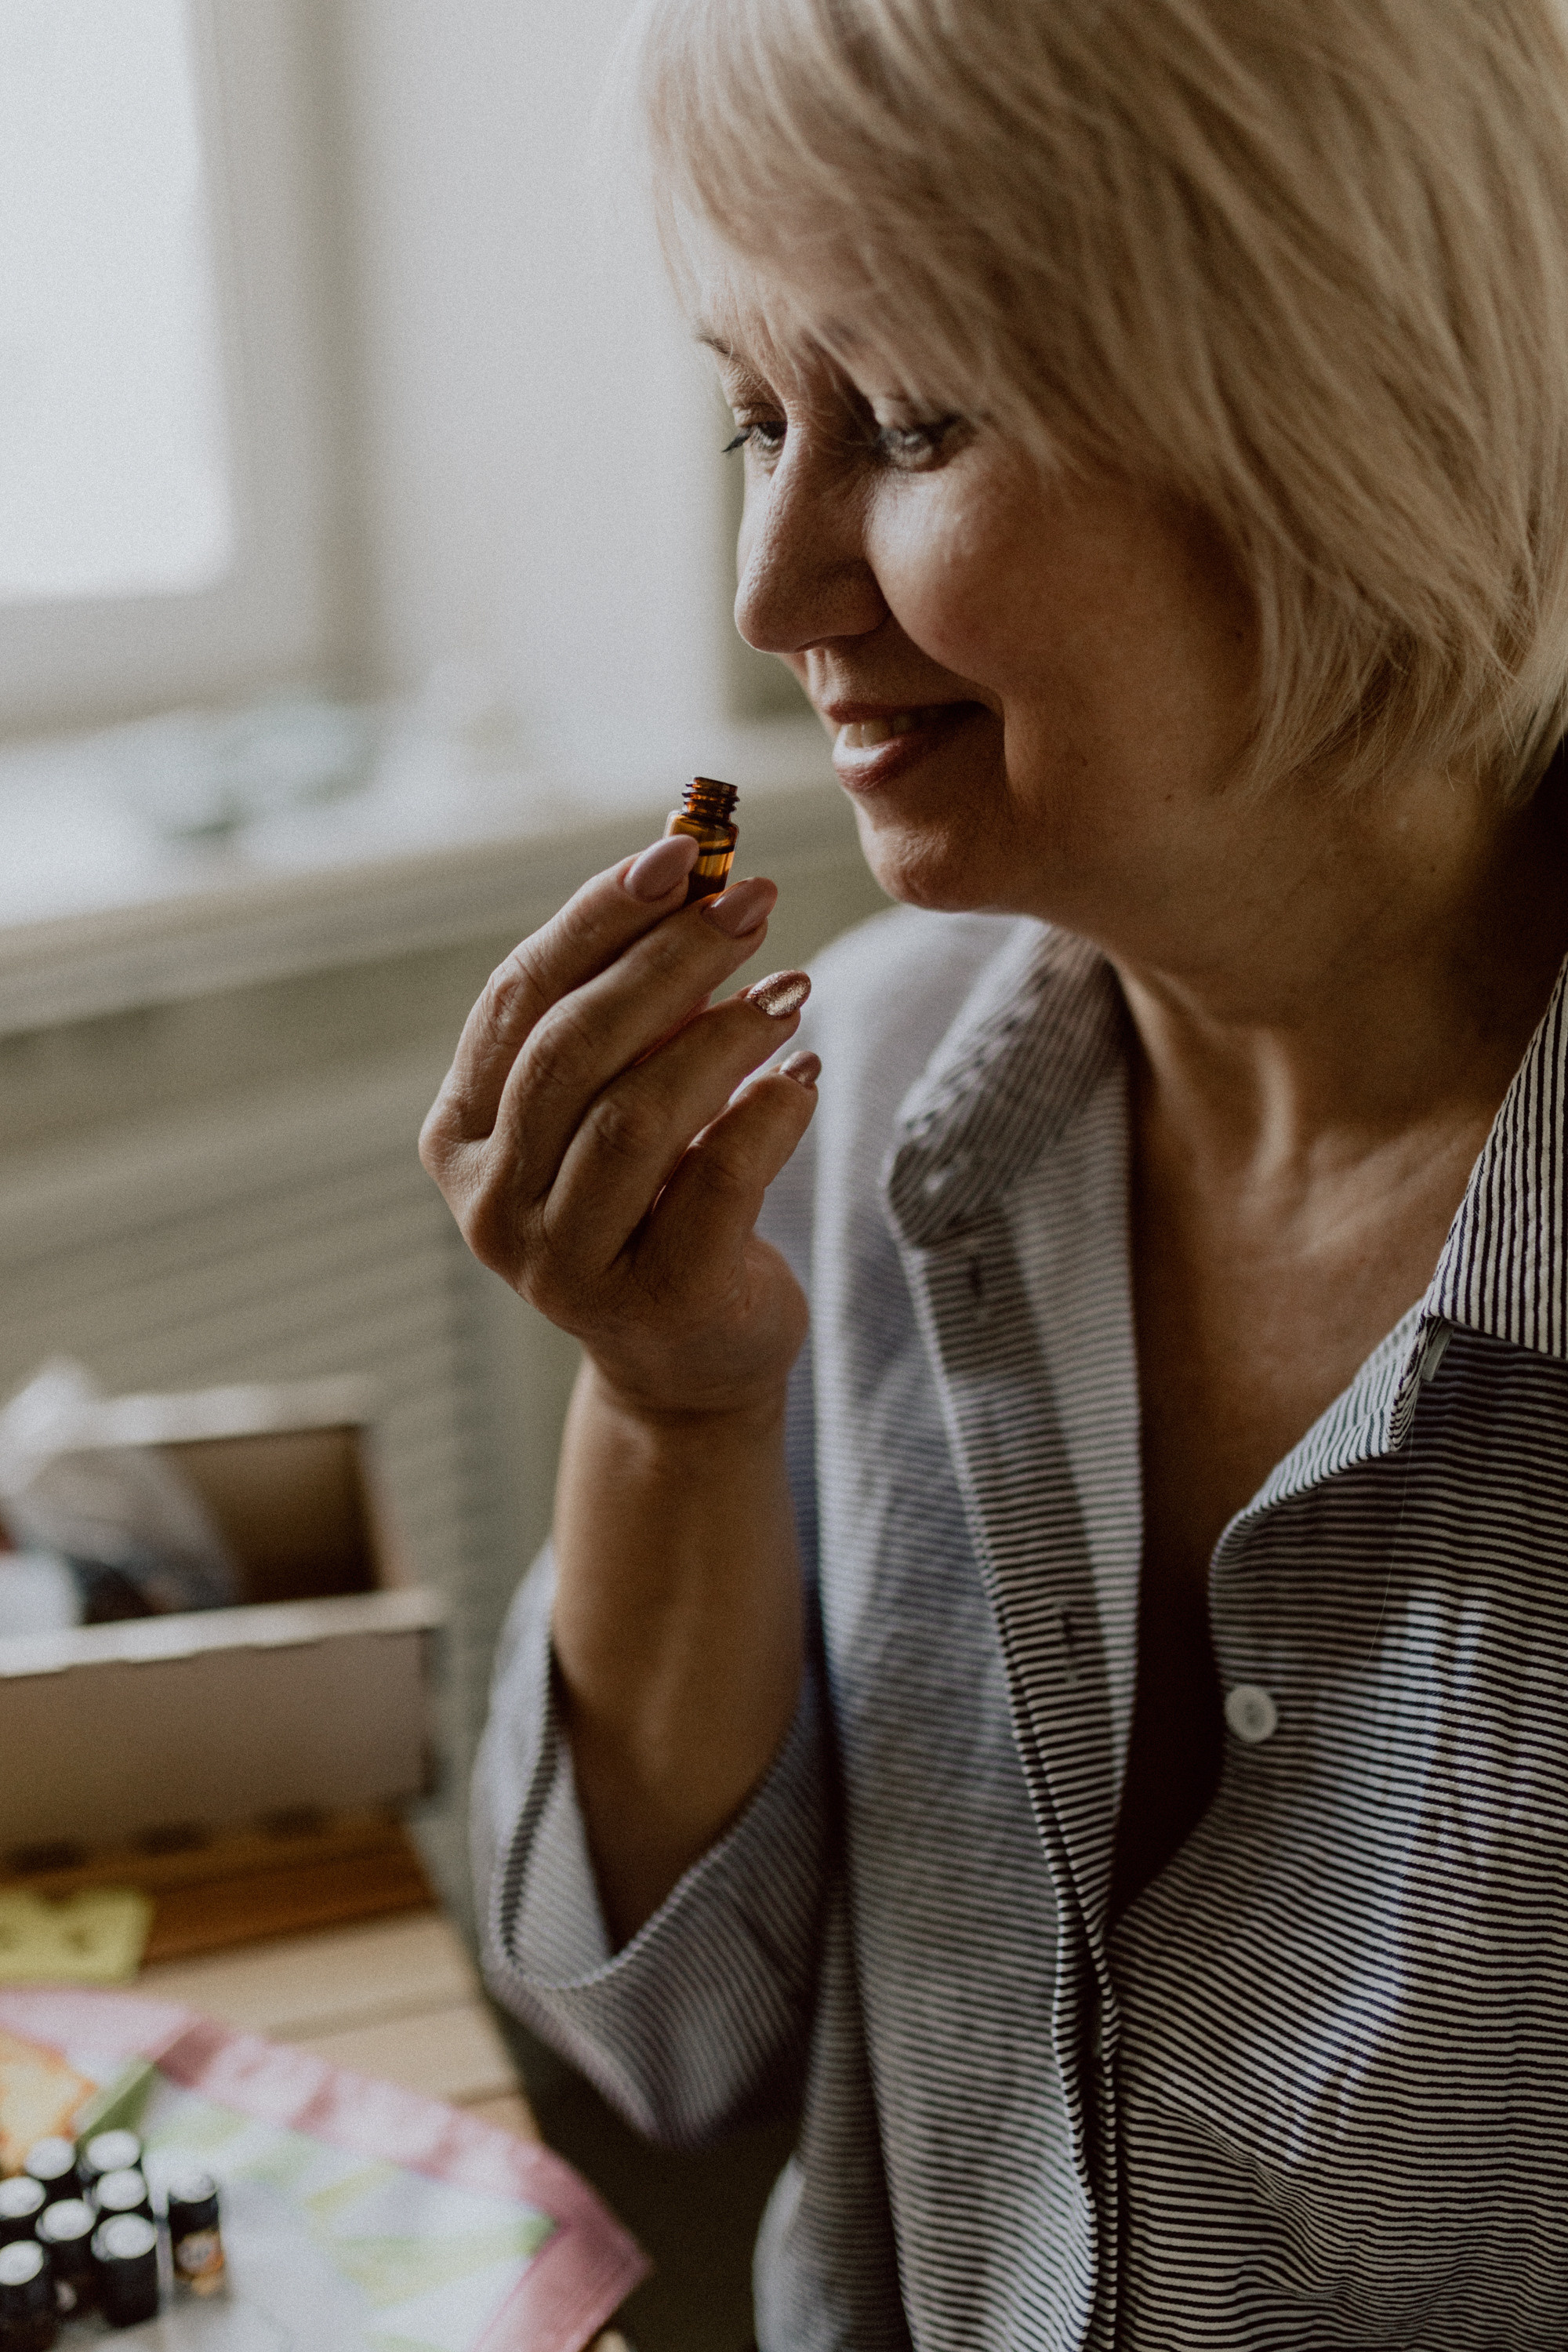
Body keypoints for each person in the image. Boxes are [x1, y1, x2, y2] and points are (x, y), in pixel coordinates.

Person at [420, 1, 1568, 2341]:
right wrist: (674, 1404)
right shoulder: (857, 1092)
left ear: (1350, 405)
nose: (773, 586)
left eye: (914, 418)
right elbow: (651, 2034)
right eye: (759, 415)